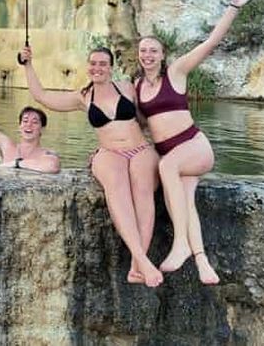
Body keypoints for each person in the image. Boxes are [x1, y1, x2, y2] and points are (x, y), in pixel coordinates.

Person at [136, 0, 255, 285]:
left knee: (166, 167)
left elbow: (211, 42)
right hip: (175, 156)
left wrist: (234, 6)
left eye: (153, 50)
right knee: (185, 203)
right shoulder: (138, 87)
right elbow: (137, 124)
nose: (147, 55)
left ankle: (180, 245)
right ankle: (203, 264)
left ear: (163, 55)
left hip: (194, 148)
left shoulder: (175, 73)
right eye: (143, 51)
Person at [20, 45, 163, 288]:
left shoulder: (127, 87)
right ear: (88, 67)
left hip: (140, 149)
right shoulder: (83, 97)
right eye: (93, 63)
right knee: (116, 186)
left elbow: (152, 115)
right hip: (109, 152)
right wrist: (27, 64)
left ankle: (137, 265)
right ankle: (142, 260)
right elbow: (41, 96)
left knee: (143, 188)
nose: (97, 68)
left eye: (102, 64)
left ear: (111, 67)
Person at [0, 59, 60, 174]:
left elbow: (52, 166)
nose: (29, 125)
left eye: (35, 122)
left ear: (42, 129)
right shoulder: (6, 145)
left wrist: (15, 164)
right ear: (19, 126)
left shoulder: (46, 154)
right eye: (25, 121)